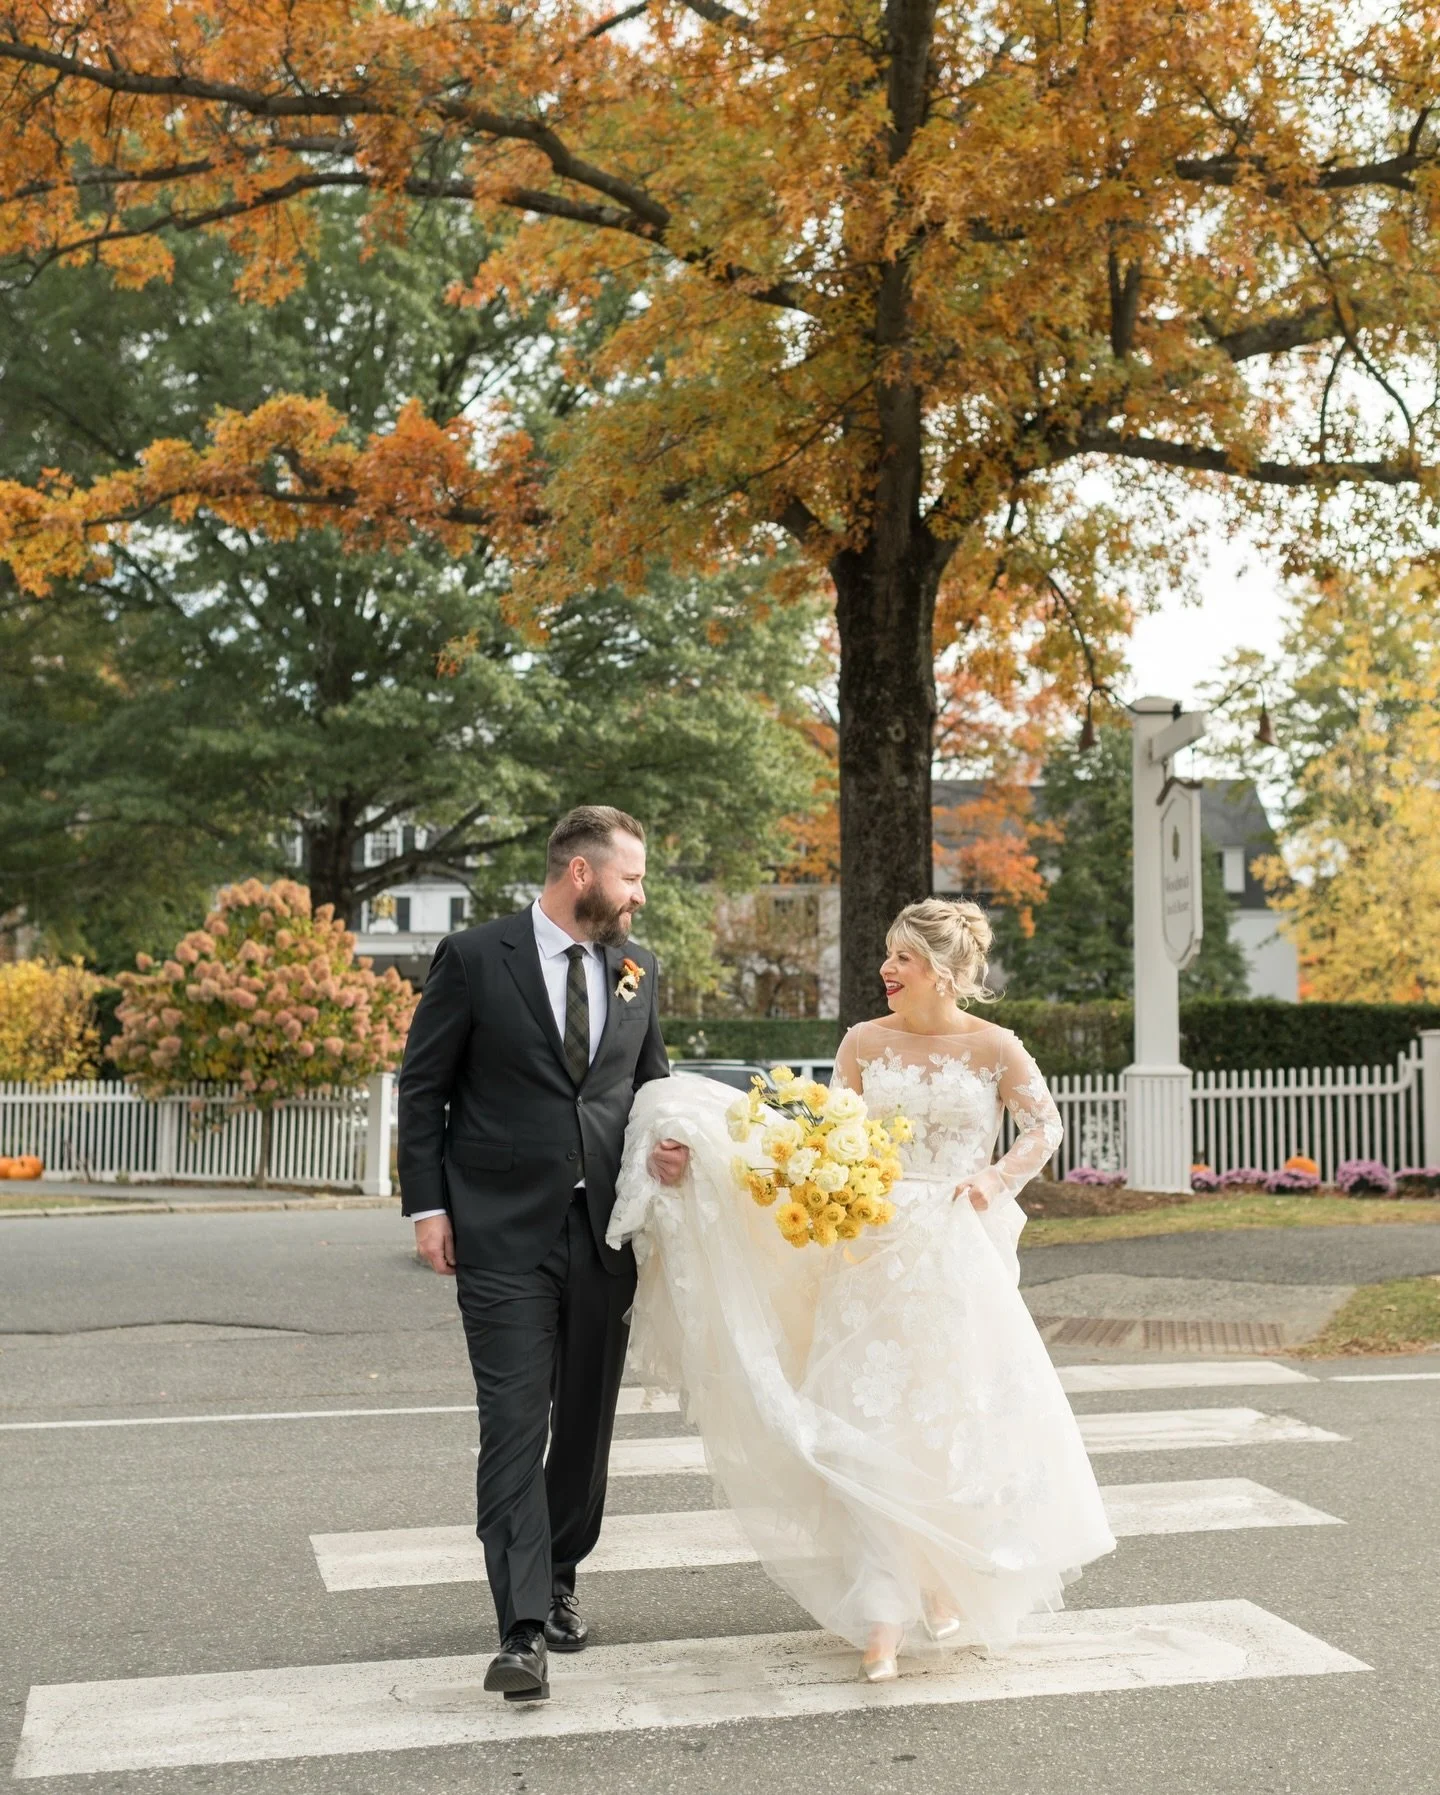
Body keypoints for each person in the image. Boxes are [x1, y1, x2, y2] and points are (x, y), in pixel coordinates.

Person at [609, 896, 1116, 1682]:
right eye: (888, 955)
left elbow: (1044, 1126)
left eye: (903, 957)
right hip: (866, 1243)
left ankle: (942, 1569)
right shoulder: (861, 1042)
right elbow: (820, 1131)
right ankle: (884, 1607)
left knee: (946, 1412)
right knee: (864, 1416)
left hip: (952, 1243)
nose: (886, 969)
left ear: (943, 972)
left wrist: (994, 1179)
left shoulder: (995, 1045)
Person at [398, 805, 688, 1705]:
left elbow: (649, 1090)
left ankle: (560, 1572)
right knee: (516, 1421)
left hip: (605, 1231)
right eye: (631, 877)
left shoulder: (637, 969)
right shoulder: (477, 958)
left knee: (587, 1424)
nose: (640, 895)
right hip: (498, 1232)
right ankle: (521, 1626)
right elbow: (425, 1084)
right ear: (581, 874)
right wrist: (429, 1206)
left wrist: (668, 1150)